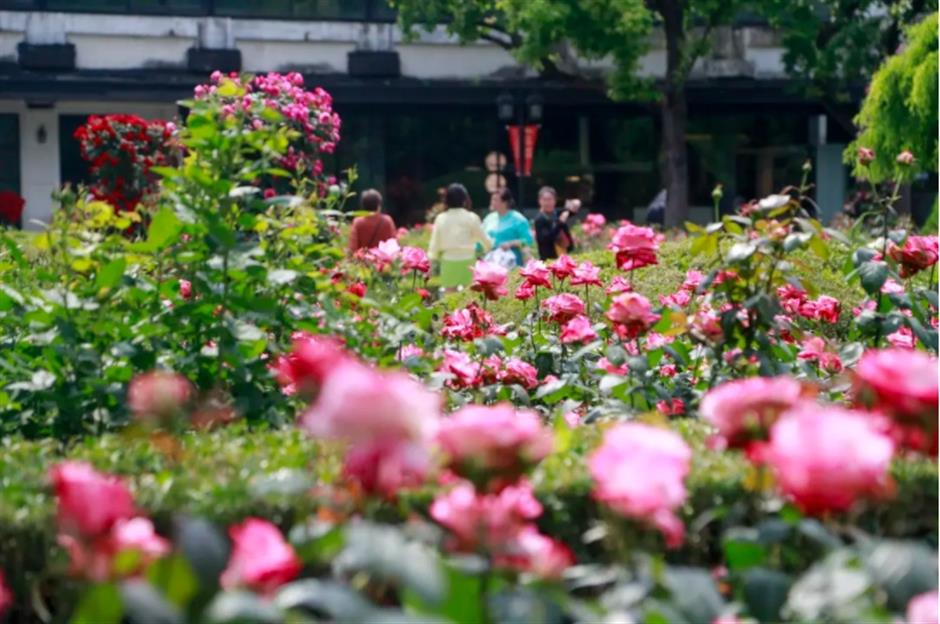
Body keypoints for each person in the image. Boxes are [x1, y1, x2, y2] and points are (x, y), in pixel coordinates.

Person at [428, 183, 492, 289]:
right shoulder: (471, 217)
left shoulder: (441, 218)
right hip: (468, 260)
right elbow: (484, 239)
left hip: (448, 261)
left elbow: (434, 245)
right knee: (470, 298)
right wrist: (487, 250)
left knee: (449, 297)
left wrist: (430, 264)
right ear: (464, 199)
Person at [482, 188, 534, 267]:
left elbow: (528, 240)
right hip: (491, 264)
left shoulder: (518, 219)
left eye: (495, 200)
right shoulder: (489, 218)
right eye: (492, 199)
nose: (492, 202)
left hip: (512, 265)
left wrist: (511, 243)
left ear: (505, 203)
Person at [348, 189, 396, 254]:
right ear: (378, 205)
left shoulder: (358, 222)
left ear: (363, 205)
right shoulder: (387, 221)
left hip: (363, 261)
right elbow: (393, 245)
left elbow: (352, 248)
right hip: (383, 262)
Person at [534, 186, 573, 260]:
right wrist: (560, 223)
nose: (547, 202)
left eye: (550, 199)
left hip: (562, 256)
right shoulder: (539, 219)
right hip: (548, 260)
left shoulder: (556, 215)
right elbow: (545, 240)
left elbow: (568, 239)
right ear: (539, 201)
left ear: (555, 201)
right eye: (544, 200)